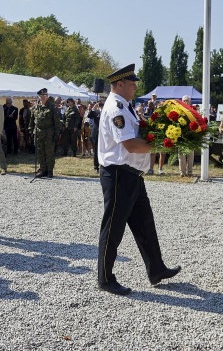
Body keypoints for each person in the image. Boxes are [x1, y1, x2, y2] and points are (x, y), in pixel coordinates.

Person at [97, 63, 181, 296]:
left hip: (132, 175)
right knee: (113, 228)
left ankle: (156, 269)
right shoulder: (116, 108)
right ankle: (105, 278)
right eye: (132, 83)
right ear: (120, 84)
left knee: (145, 223)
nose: (135, 87)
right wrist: (161, 145)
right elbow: (130, 145)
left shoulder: (126, 106)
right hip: (118, 175)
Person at [29, 88, 61, 178]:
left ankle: (50, 171)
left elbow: (57, 122)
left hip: (49, 133)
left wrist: (56, 133)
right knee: (40, 152)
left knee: (49, 152)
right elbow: (32, 120)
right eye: (41, 96)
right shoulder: (36, 107)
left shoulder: (52, 107)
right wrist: (31, 130)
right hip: (38, 133)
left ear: (47, 96)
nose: (42, 97)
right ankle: (43, 170)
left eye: (44, 95)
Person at [178, 95, 195, 177]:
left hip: (191, 135)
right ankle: (182, 172)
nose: (185, 102)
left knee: (190, 154)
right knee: (181, 154)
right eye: (184, 100)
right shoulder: (179, 111)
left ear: (190, 101)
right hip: (181, 134)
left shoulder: (193, 111)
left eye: (187, 100)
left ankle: (190, 171)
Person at [88, 101, 103, 173]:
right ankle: (96, 166)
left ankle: (104, 165)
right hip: (97, 132)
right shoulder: (96, 111)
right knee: (96, 150)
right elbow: (89, 116)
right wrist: (93, 108)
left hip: (105, 133)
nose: (101, 104)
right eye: (100, 103)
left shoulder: (107, 111)